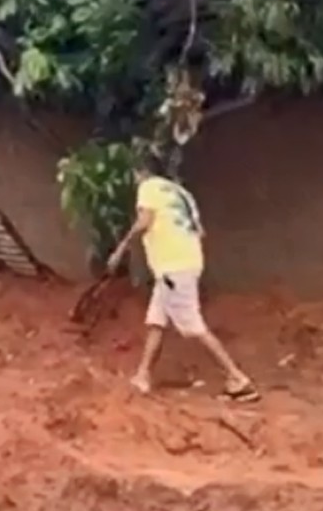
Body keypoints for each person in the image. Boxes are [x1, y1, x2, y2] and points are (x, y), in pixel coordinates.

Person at [104, 152, 259, 401]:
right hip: (182, 265)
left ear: (140, 172)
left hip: (172, 268)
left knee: (193, 327)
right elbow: (201, 232)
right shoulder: (181, 194)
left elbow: (144, 221)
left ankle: (238, 378)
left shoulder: (148, 187)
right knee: (156, 321)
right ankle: (143, 376)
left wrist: (120, 249)